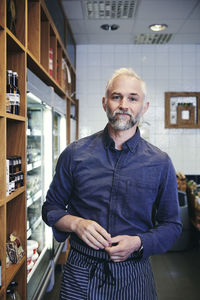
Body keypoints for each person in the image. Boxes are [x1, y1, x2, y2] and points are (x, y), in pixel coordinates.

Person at [42, 67, 182, 300]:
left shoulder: (160, 162)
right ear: (105, 103)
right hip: (80, 271)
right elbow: (50, 209)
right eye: (116, 97)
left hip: (134, 273)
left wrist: (139, 241)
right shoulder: (75, 154)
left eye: (133, 98)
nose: (124, 105)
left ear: (144, 107)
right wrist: (76, 223)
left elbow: (172, 225)